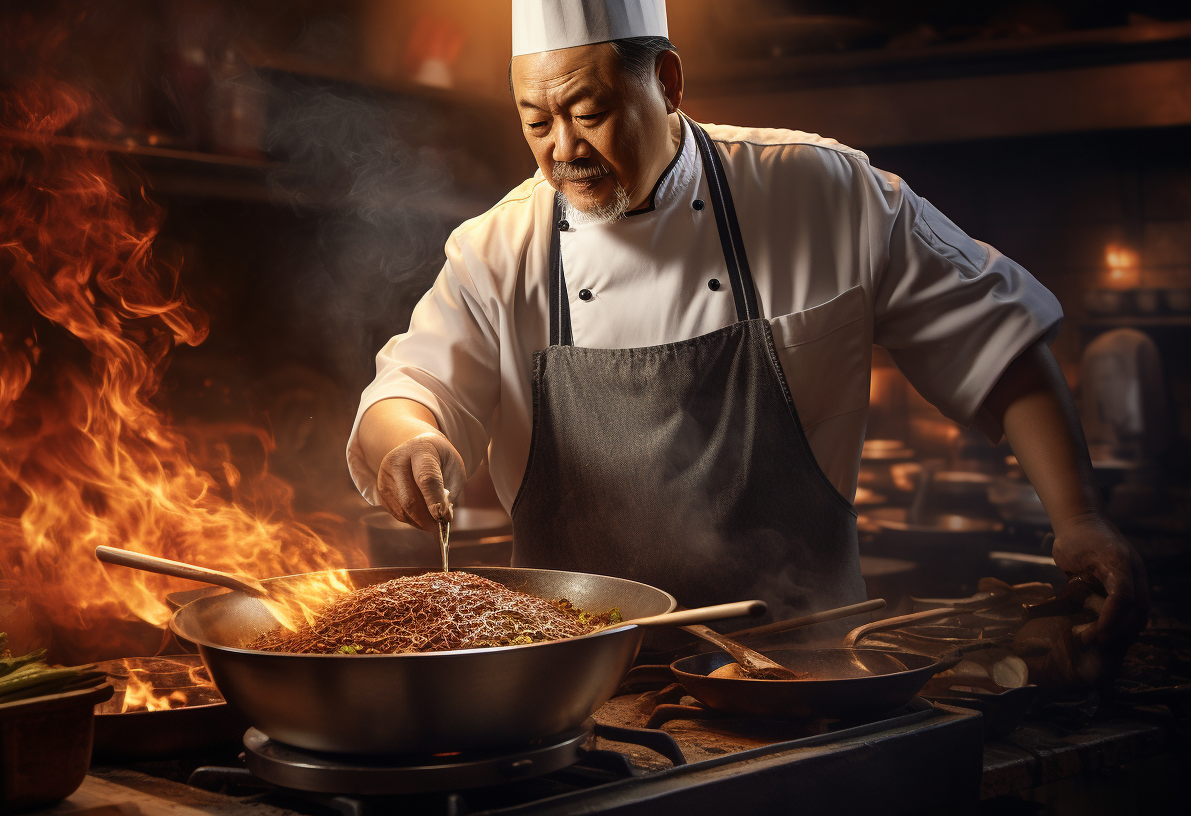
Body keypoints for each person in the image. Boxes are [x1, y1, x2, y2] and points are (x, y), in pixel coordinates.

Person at [346, 0, 1146, 653]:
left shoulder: (821, 192)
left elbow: (998, 340)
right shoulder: (499, 247)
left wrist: (1078, 518)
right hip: (574, 687)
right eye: (535, 122)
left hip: (815, 664)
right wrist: (410, 439)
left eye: (588, 113)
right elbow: (411, 388)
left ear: (666, 80)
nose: (563, 152)